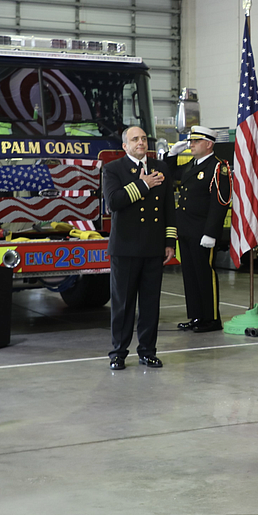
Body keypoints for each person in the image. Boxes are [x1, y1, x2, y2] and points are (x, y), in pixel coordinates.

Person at [102, 125, 177, 370]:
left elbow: (168, 209)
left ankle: (147, 351)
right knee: (123, 305)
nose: (141, 143)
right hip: (125, 248)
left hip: (153, 247)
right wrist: (143, 185)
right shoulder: (113, 169)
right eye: (135, 139)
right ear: (125, 146)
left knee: (150, 304)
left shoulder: (161, 168)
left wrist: (169, 242)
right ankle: (118, 353)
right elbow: (114, 202)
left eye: (144, 139)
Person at [169, 125, 231, 333]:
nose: (191, 145)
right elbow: (171, 174)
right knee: (190, 275)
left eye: (196, 141)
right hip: (185, 229)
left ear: (209, 144)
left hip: (203, 231)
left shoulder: (218, 167)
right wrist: (170, 155)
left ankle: (212, 318)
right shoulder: (191, 165)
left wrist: (211, 232)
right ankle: (197, 316)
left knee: (205, 274)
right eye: (191, 141)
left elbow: (219, 202)